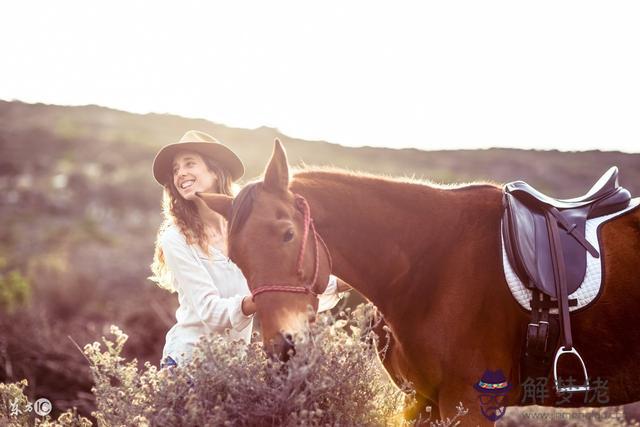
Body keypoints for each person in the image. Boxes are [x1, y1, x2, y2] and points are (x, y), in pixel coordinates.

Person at [149, 130, 348, 369]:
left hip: (235, 370)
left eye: (189, 163)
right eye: (175, 169)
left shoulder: (246, 231)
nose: (180, 173)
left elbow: (283, 283)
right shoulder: (176, 238)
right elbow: (210, 311)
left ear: (215, 170)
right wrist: (263, 298)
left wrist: (344, 283)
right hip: (187, 367)